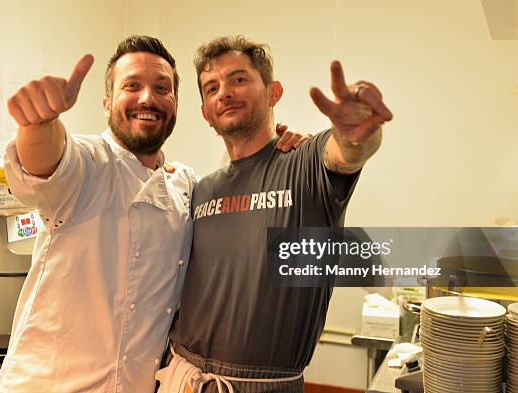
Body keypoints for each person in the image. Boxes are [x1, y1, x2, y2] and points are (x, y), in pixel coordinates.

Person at [0, 35, 307, 393]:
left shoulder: (187, 185)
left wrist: (281, 149)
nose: (148, 98)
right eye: (132, 86)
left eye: (162, 88)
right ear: (107, 101)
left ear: (176, 103)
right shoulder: (86, 163)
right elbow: (44, 165)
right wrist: (38, 123)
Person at [158, 36, 393, 393]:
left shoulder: (305, 162)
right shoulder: (201, 190)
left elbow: (346, 151)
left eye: (239, 79)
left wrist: (357, 134)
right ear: (206, 112)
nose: (225, 92)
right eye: (212, 87)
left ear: (273, 92)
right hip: (183, 377)